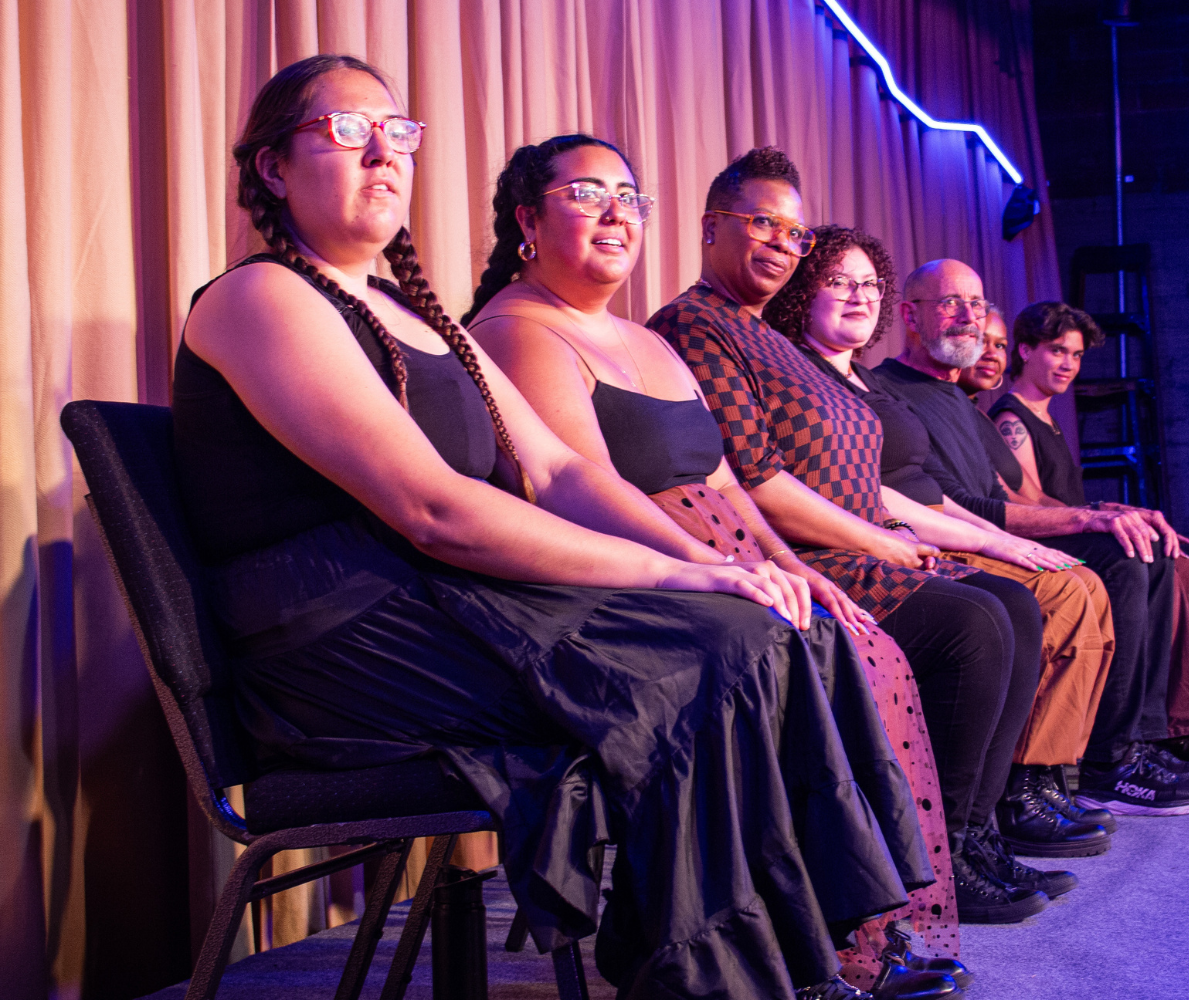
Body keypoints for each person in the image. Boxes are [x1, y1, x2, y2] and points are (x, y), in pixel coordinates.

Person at [175, 55, 935, 1000]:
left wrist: (718, 562)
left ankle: (810, 951)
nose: (382, 151)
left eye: (398, 133)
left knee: (778, 628)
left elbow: (558, 468)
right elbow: (434, 508)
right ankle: (710, 977)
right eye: (344, 129)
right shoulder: (260, 297)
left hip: (437, 600)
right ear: (272, 169)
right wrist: (679, 580)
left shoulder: (414, 315)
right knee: (714, 654)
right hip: (342, 639)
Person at [462, 133, 964, 996]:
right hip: (633, 569)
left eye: (631, 197)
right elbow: (578, 488)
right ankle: (798, 953)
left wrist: (791, 568)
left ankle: (853, 934)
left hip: (720, 549)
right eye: (589, 194)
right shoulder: (516, 330)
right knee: (779, 654)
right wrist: (712, 569)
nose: (619, 214)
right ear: (527, 221)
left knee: (848, 637)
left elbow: (727, 478)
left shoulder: (644, 341)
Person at [646, 147, 1068, 926]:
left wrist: (904, 533)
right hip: (792, 552)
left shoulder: (769, 336)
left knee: (1013, 603)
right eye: (762, 222)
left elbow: (854, 476)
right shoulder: (695, 324)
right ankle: (929, 852)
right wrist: (879, 543)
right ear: (711, 227)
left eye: (794, 231)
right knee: (975, 623)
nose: (780, 241)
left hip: (852, 542)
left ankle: (967, 835)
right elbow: (755, 480)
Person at [763, 225, 1117, 859]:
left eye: (867, 283)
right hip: (840, 550)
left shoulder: (867, 388)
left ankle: (987, 822)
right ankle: (965, 831)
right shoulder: (806, 373)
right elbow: (801, 486)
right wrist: (965, 538)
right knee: (1001, 608)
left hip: (897, 531)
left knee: (1048, 591)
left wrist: (995, 536)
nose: (856, 296)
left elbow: (909, 492)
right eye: (838, 283)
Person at [873, 260, 1189, 816]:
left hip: (986, 530)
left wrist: (1104, 510)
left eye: (977, 305)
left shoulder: (962, 401)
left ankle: (1131, 744)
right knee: (1118, 562)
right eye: (951, 304)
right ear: (910, 315)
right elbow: (961, 506)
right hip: (948, 541)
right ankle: (1103, 762)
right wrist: (1084, 522)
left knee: (1145, 553)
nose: (969, 318)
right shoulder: (889, 391)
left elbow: (1014, 496)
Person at [991, 301, 1189, 751]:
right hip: (1059, 539)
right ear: (1025, 350)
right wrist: (1101, 516)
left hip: (1082, 526)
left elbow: (1066, 499)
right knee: (1185, 566)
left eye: (1075, 355)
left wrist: (1109, 508)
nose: (1069, 364)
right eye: (1057, 351)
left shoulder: (1047, 416)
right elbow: (1030, 502)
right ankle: (1171, 726)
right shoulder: (1012, 418)